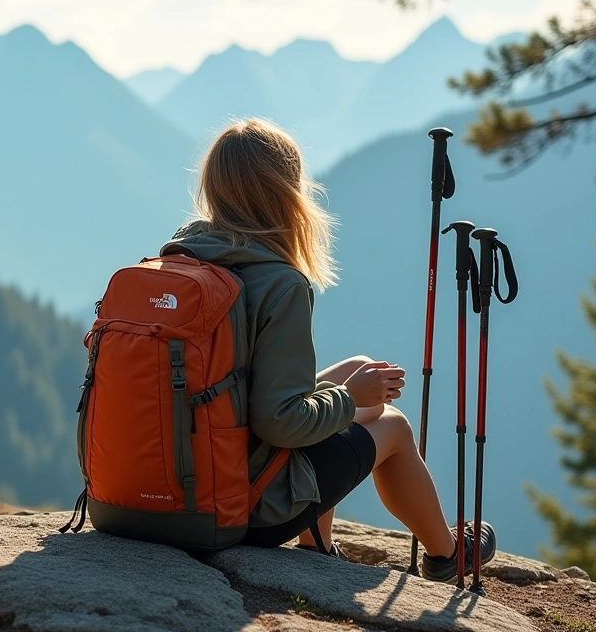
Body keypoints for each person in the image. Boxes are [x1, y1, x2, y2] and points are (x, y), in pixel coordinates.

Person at [159, 117, 493, 583]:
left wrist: (350, 389)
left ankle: (318, 542)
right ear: (286, 194)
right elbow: (279, 422)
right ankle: (447, 554)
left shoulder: (181, 258)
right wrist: (351, 399)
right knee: (392, 426)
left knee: (358, 368)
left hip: (170, 483)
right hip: (240, 506)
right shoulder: (280, 284)